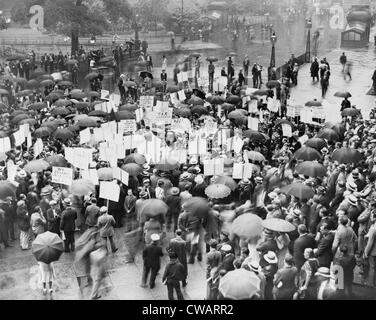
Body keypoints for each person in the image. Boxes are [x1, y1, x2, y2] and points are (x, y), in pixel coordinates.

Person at [363, 211, 376, 287]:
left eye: (371, 217)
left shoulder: (373, 228)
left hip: (373, 252)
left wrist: (366, 252)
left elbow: (370, 243)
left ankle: (371, 284)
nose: (370, 218)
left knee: (372, 268)